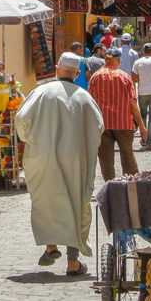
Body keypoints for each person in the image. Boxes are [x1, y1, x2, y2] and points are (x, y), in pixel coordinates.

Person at [14, 51, 104, 276]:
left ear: (57, 69)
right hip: (75, 158)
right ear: (77, 73)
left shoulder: (41, 92)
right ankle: (73, 263)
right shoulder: (84, 96)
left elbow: (21, 119)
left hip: (42, 156)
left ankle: (51, 247)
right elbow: (98, 126)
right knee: (75, 202)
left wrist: (29, 138)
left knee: (46, 200)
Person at [88, 47, 147, 180]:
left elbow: (90, 102)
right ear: (118, 60)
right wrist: (141, 125)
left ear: (105, 59)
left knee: (106, 160)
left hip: (103, 124)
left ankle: (110, 187)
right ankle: (130, 187)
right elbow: (132, 103)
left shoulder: (95, 77)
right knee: (128, 157)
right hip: (124, 123)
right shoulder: (124, 77)